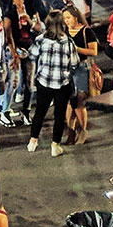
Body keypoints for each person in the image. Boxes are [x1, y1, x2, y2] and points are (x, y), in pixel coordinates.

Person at [29, 11, 79, 156]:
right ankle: (54, 146)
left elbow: (32, 55)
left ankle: (33, 141)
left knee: (40, 112)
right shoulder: (68, 42)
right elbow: (75, 63)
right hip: (62, 84)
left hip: (43, 82)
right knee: (59, 115)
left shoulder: (41, 39)